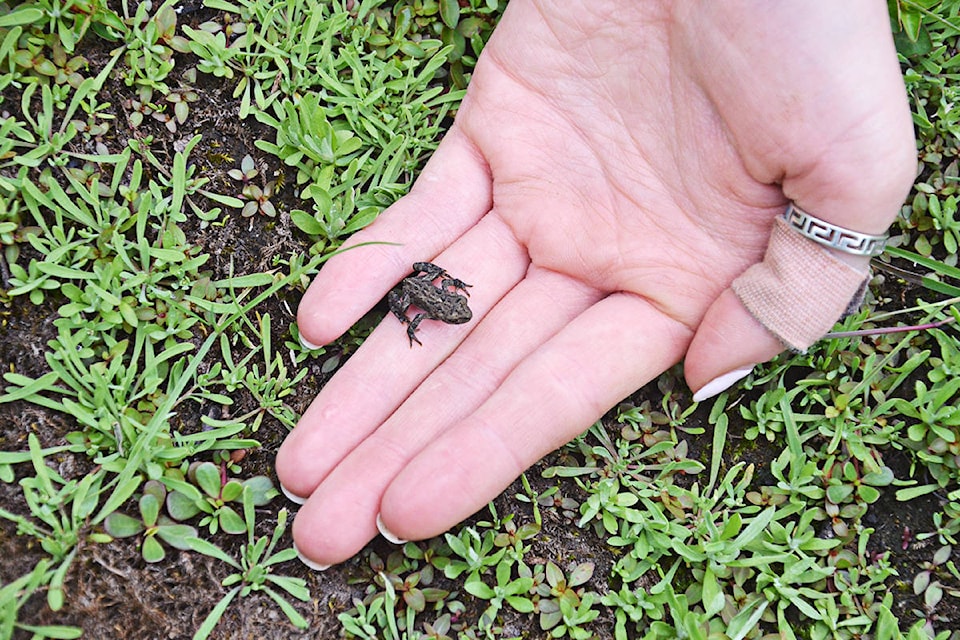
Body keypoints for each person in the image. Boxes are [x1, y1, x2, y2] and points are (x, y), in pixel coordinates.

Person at [276, 0, 917, 569]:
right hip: (419, 287)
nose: (455, 305)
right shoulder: (428, 300)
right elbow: (417, 296)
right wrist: (417, 314)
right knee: (408, 308)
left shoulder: (450, 297)